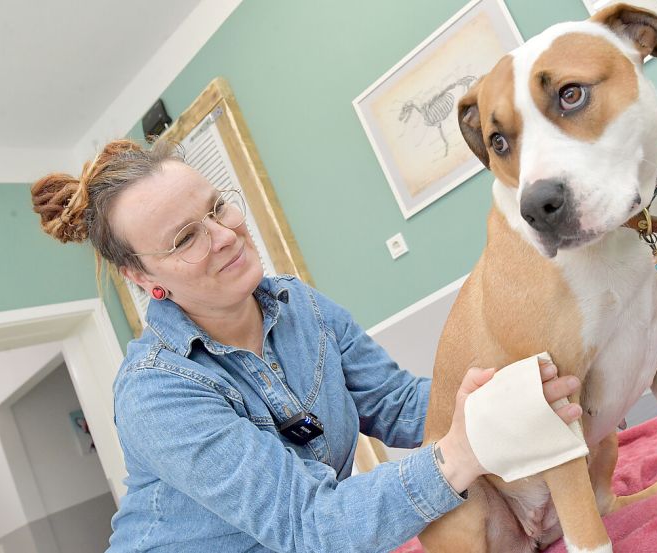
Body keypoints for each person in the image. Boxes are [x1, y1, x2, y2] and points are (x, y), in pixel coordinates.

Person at [30, 140, 583, 552]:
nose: (224, 235)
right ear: (143, 277)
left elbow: (397, 403)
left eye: (216, 207)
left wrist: (504, 393)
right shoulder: (156, 393)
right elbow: (308, 524)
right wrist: (458, 454)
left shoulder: (301, 306)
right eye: (184, 238)